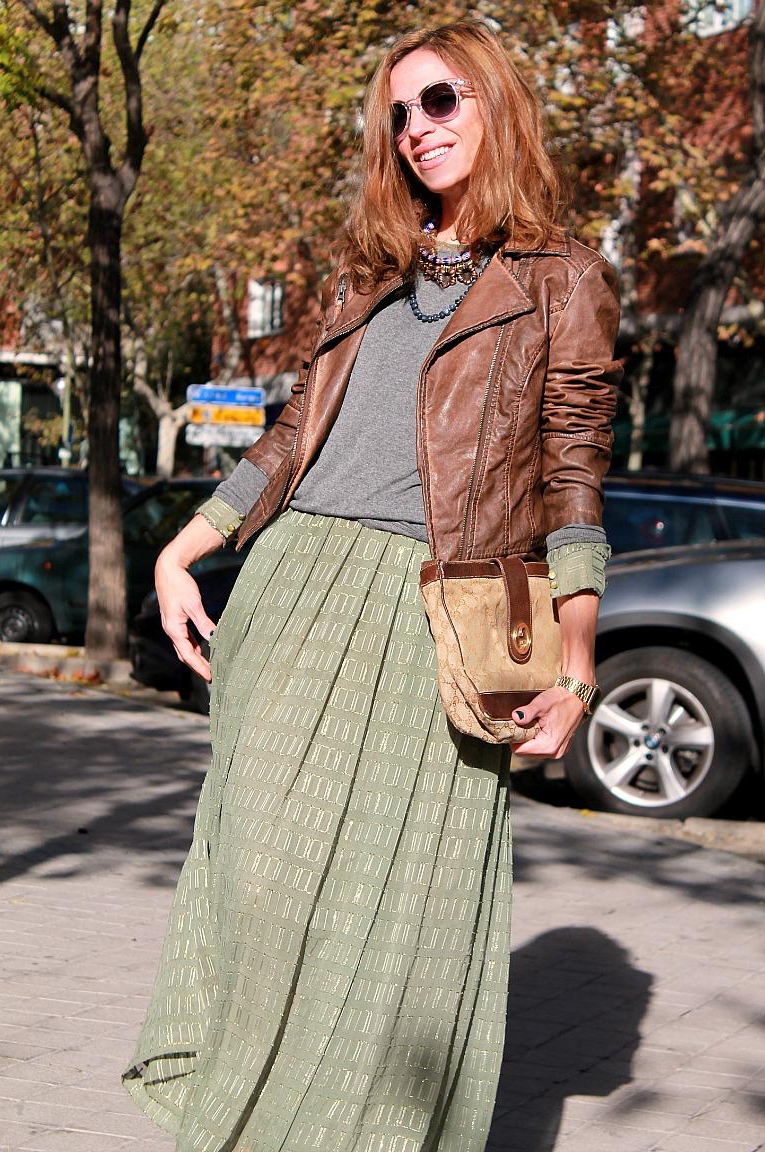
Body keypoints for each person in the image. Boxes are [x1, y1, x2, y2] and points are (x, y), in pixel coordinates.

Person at [123, 19, 621, 1152]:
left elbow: (573, 473)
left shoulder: (565, 280)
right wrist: (185, 544)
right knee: (258, 889)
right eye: (398, 113)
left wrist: (579, 654)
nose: (416, 131)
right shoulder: (371, 271)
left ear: (496, 103)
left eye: (440, 101)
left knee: (397, 915)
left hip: (436, 612)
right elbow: (296, 431)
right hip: (297, 594)